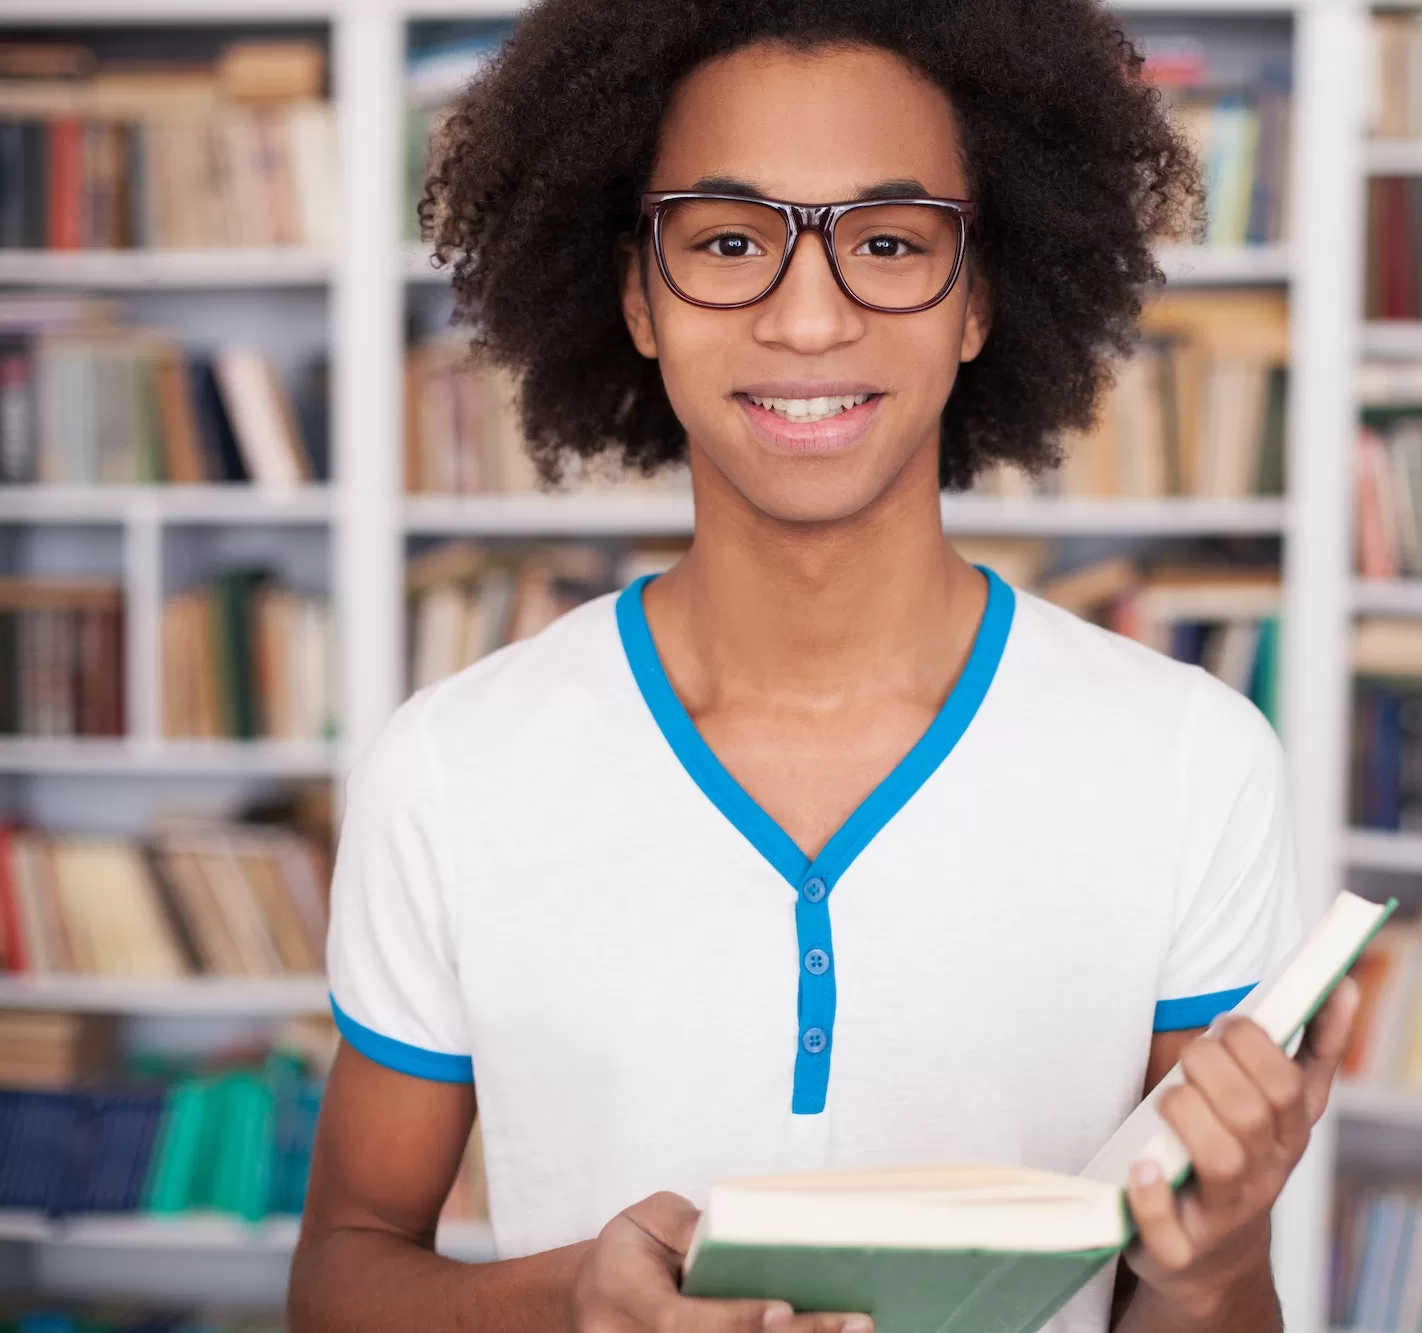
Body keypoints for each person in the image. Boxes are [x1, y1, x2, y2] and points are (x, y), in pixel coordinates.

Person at [287, 3, 1357, 1332]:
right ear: (637, 295)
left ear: (977, 299)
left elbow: (1202, 1299)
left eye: (890, 243)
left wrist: (1214, 1271)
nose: (808, 319)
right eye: (729, 242)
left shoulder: (1192, 761)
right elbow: (340, 1276)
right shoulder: (452, 768)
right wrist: (576, 1300)